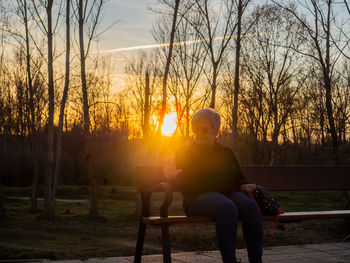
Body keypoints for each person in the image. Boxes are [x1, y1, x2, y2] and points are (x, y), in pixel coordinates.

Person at [164, 108, 263, 263]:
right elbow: (183, 184)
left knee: (250, 207)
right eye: (195, 130)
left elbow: (238, 176)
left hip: (228, 194)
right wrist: (171, 178)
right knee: (227, 207)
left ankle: (256, 260)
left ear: (216, 130)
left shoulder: (226, 152)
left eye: (203, 130)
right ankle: (230, 260)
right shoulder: (185, 152)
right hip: (197, 198)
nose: (199, 134)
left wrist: (244, 185)